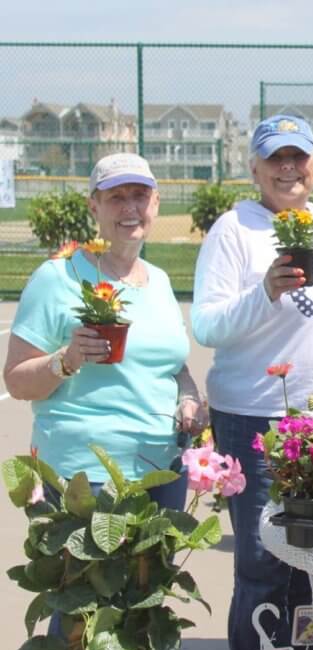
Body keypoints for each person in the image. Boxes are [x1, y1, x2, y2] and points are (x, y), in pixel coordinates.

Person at [191, 115, 313, 650]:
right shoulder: (235, 229)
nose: (289, 169)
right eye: (276, 159)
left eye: (299, 157)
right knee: (265, 561)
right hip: (260, 418)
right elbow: (207, 324)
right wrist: (265, 292)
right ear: (254, 168)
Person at [4, 152, 204, 498]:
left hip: (162, 470)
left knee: (160, 557)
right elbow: (17, 381)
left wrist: (189, 396)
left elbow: (172, 365)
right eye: (116, 197)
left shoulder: (159, 281)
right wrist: (66, 360)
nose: (130, 208)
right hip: (84, 476)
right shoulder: (57, 278)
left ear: (155, 203)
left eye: (139, 196)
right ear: (93, 206)